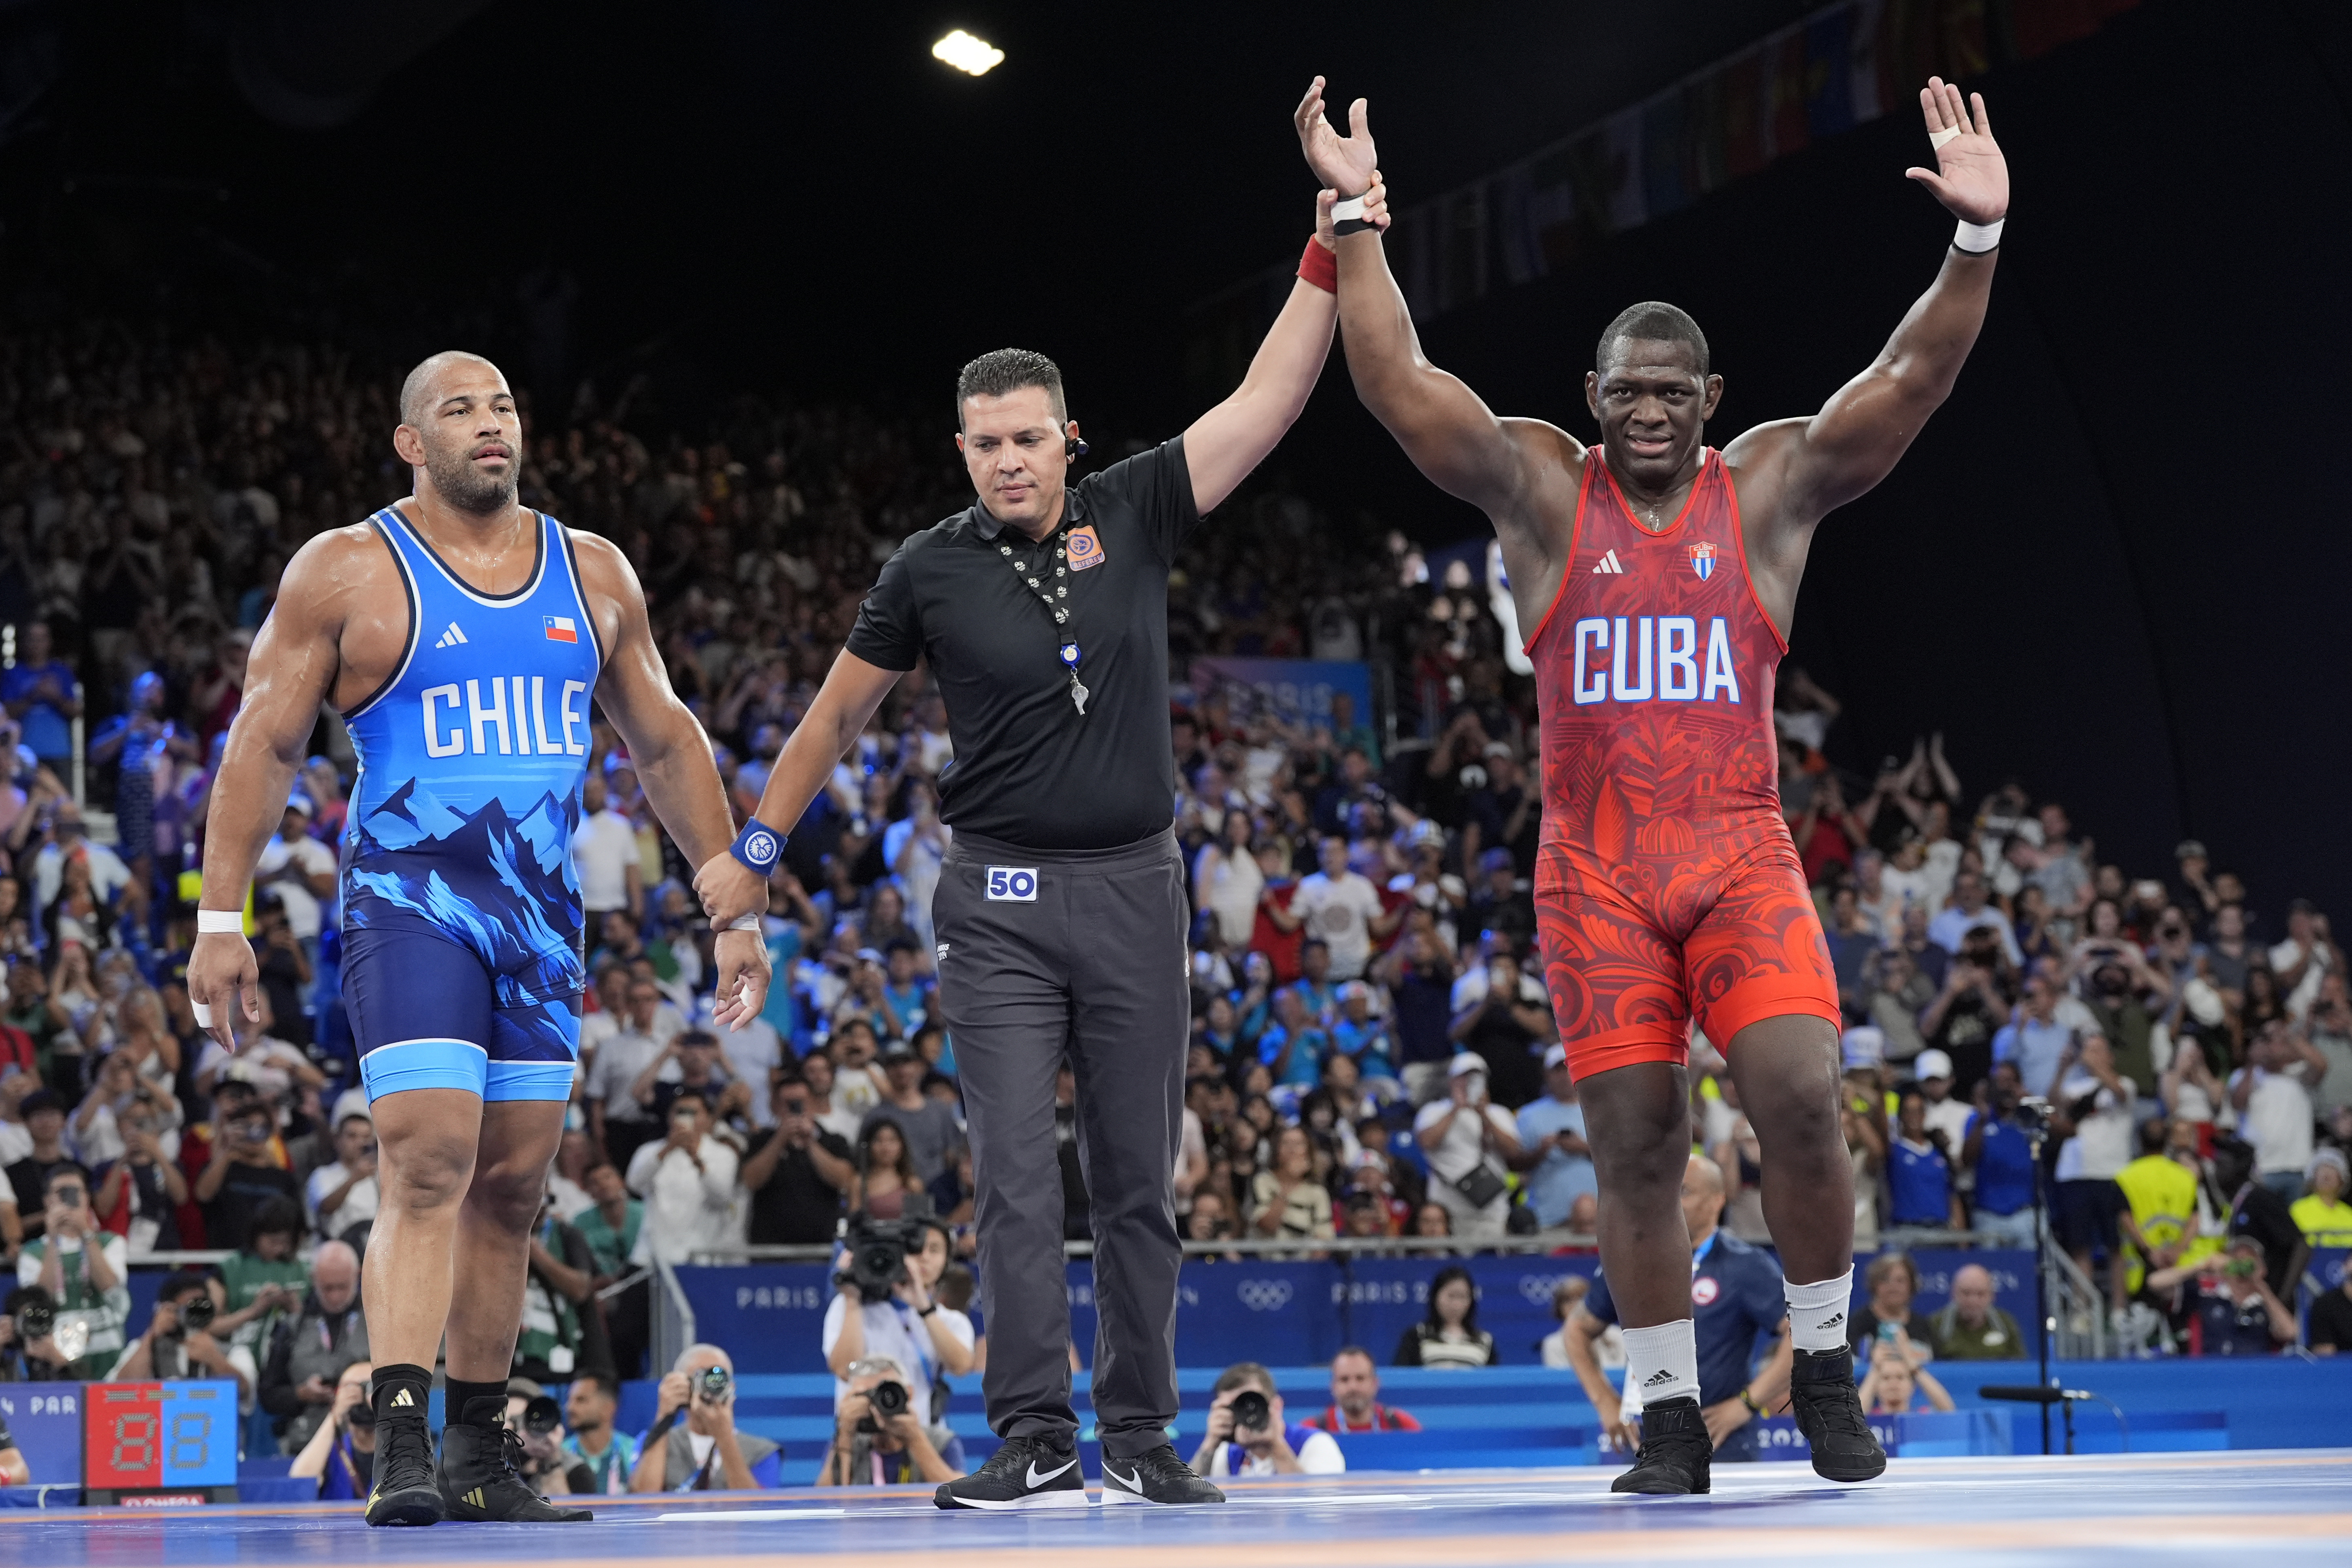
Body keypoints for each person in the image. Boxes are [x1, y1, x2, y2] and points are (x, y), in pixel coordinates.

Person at [1299, 72, 2009, 1494]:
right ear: (1591, 396)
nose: (1645, 411)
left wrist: (1975, 240)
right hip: (1596, 872)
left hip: (1737, 854)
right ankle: (1668, 1412)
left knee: (1799, 1093)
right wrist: (1355, 216)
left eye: (1670, 393)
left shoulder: (1766, 490)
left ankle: (1821, 1362)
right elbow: (1396, 385)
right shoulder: (1540, 490)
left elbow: (1906, 382)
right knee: (1635, 1146)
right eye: (1623, 389)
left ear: (1709, 401)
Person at [693, 163, 1394, 1510]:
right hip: (999, 905)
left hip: (1134, 888)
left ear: (1069, 435)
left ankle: (1138, 1430)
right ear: (960, 450)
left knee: (1137, 1182)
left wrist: (1329, 243)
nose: (1008, 459)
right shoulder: (926, 566)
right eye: (984, 443)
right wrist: (758, 861)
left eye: (1027, 437)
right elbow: (832, 719)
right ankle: (1032, 1432)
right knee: (1014, 1180)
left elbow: (1267, 400)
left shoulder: (1134, 505)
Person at [186, 350, 770, 1526]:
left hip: (539, 914)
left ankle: (476, 1448)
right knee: (427, 1160)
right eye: (458, 409)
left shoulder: (591, 568)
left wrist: (736, 909)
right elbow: (264, 740)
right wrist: (220, 914)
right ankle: (398, 1437)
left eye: (501, 404)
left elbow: (665, 740)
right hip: (413, 903)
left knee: (510, 1188)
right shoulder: (348, 568)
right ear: (412, 442)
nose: (489, 423)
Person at [1562, 1155, 1792, 1472]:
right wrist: (1605, 1400)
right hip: (1646, 1440)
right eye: (1665, 1190)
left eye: (1683, 1191)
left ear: (1717, 1200)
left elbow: (1800, 1332)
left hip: (1721, 1440)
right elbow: (1577, 1329)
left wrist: (1748, 1402)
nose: (1669, 1201)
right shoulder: (1634, 1257)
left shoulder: (1744, 1264)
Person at [822, 1216, 975, 1435]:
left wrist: (924, 1308)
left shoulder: (950, 1320)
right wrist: (853, 1301)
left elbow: (961, 1366)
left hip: (923, 1437)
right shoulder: (847, 1306)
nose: (924, 1257)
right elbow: (844, 1370)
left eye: (935, 1250)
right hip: (861, 1437)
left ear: (946, 1261)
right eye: (916, 1249)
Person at [13, 1166, 129, 1378]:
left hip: (108, 1355)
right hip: (55, 1359)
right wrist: (53, 1239)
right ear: (47, 1201)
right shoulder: (32, 1253)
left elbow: (110, 1287)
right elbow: (40, 1300)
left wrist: (86, 1232)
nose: (68, 1198)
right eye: (61, 1192)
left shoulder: (111, 1242)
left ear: (87, 1198)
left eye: (75, 1191)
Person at [256, 1240, 369, 1452]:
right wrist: (302, 1394)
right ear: (313, 1278)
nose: (335, 1296)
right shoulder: (291, 1328)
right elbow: (268, 1394)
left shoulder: (379, 1323)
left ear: (358, 1275)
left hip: (368, 1440)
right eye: (327, 1288)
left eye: (343, 1287)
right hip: (306, 1442)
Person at [629, 1344, 782, 1491]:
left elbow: (756, 1506)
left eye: (719, 1378)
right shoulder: (653, 1442)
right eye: (700, 1378)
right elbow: (643, 1500)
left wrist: (724, 1437)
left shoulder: (763, 1452)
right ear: (681, 1385)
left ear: (732, 1388)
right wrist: (664, 1416)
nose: (711, 1384)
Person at [1412, 1054, 1523, 1241]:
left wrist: (1484, 1115)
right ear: (1452, 1081)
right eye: (1464, 1077)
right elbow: (1426, 1142)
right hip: (1447, 1210)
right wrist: (1456, 1108)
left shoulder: (1499, 1113)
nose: (1469, 1082)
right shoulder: (1434, 1110)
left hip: (1491, 1210)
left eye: (1476, 1078)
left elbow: (1513, 1152)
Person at [740, 1077, 857, 1245]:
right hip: (770, 1248)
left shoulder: (833, 1141)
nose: (794, 1109)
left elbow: (844, 1181)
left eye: (800, 1103)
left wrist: (811, 1143)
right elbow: (751, 1181)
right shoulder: (761, 1141)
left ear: (813, 1103)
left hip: (822, 1247)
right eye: (788, 1104)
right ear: (776, 1106)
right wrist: (780, 1140)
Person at [625, 1094, 739, 1264]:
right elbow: (634, 1186)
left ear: (708, 1119)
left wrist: (697, 1160)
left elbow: (722, 1198)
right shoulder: (649, 1151)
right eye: (680, 1112)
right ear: (670, 1117)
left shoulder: (723, 1154)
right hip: (652, 1253)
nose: (686, 1118)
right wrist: (667, 1150)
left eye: (693, 1113)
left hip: (700, 1254)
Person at [819, 1356, 964, 1486]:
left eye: (886, 1394)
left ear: (909, 1393)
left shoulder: (940, 1441)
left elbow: (957, 1493)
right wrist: (844, 1434)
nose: (876, 1405)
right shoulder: (848, 1442)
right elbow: (824, 1499)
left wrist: (915, 1439)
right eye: (867, 1396)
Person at [1191, 1361, 1345, 1479]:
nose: (1245, 1413)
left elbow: (1319, 1502)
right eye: (1234, 1407)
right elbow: (1187, 1501)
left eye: (1252, 1404)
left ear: (1276, 1406)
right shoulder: (1227, 1453)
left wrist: (1275, 1446)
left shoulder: (1316, 1444)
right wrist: (1210, 1444)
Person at [2148, 1236, 2296, 1356]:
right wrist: (2202, 1266)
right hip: (2211, 1371)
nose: (2241, 1266)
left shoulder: (2267, 1304)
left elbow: (2290, 1332)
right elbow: (2155, 1283)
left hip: (2254, 1375)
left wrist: (2261, 1287)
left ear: (2262, 1269)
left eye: (2249, 1260)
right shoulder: (2207, 1294)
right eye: (2236, 1260)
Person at [1513, 1044, 1597, 1229]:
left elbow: (1621, 1160)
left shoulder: (1599, 1110)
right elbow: (1515, 1165)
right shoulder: (1528, 1115)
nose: (1564, 1076)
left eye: (1568, 1069)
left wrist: (1582, 1148)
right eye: (1558, 1070)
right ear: (1547, 1075)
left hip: (1597, 1219)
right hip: (1547, 1217)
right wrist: (1542, 1150)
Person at [290, 1360, 379, 1502]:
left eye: (371, 1386)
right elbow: (300, 1482)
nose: (361, 1394)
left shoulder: (403, 1447)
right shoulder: (330, 1449)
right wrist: (335, 1415)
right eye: (351, 1387)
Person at [1391, 1264, 1496, 1369]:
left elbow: (1493, 1377)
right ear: (1436, 1297)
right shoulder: (1418, 1336)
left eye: (1462, 1297)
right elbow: (1402, 1373)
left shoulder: (1484, 1340)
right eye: (1451, 1296)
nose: (1456, 1305)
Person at [1302, 1345, 1421, 1434]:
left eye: (1360, 1379)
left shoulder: (1403, 1426)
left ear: (1375, 1384)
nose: (1353, 1387)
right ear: (1333, 1386)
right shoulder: (1311, 1431)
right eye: (1344, 1380)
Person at [558, 1373, 639, 1495]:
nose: (570, 1408)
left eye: (581, 1400)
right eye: (569, 1400)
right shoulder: (559, 1454)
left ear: (608, 1408)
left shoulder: (633, 1452)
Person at [1925, 1262, 2024, 1360]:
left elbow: (2020, 1365)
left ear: (1992, 1296)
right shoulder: (1936, 1325)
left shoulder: (2005, 1324)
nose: (1973, 1301)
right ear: (1953, 1294)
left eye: (1981, 1294)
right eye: (1966, 1293)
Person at [1847, 1252, 1935, 1352]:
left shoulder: (1922, 1326)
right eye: (1885, 1280)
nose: (1893, 1287)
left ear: (1912, 1286)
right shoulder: (1857, 1324)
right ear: (1874, 1285)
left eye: (1900, 1281)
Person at [2292, 1148, 2352, 1247]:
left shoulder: (2349, 1215)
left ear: (2342, 1180)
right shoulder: (2297, 1210)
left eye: (2332, 1171)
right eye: (2321, 1171)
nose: (2326, 1176)